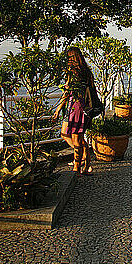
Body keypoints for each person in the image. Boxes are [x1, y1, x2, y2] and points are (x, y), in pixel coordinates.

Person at [52, 47, 95, 175]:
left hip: (75, 107)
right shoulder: (87, 72)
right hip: (84, 108)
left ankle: (77, 168)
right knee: (74, 138)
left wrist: (58, 108)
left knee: (77, 140)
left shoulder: (73, 72)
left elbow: (67, 92)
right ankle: (86, 164)